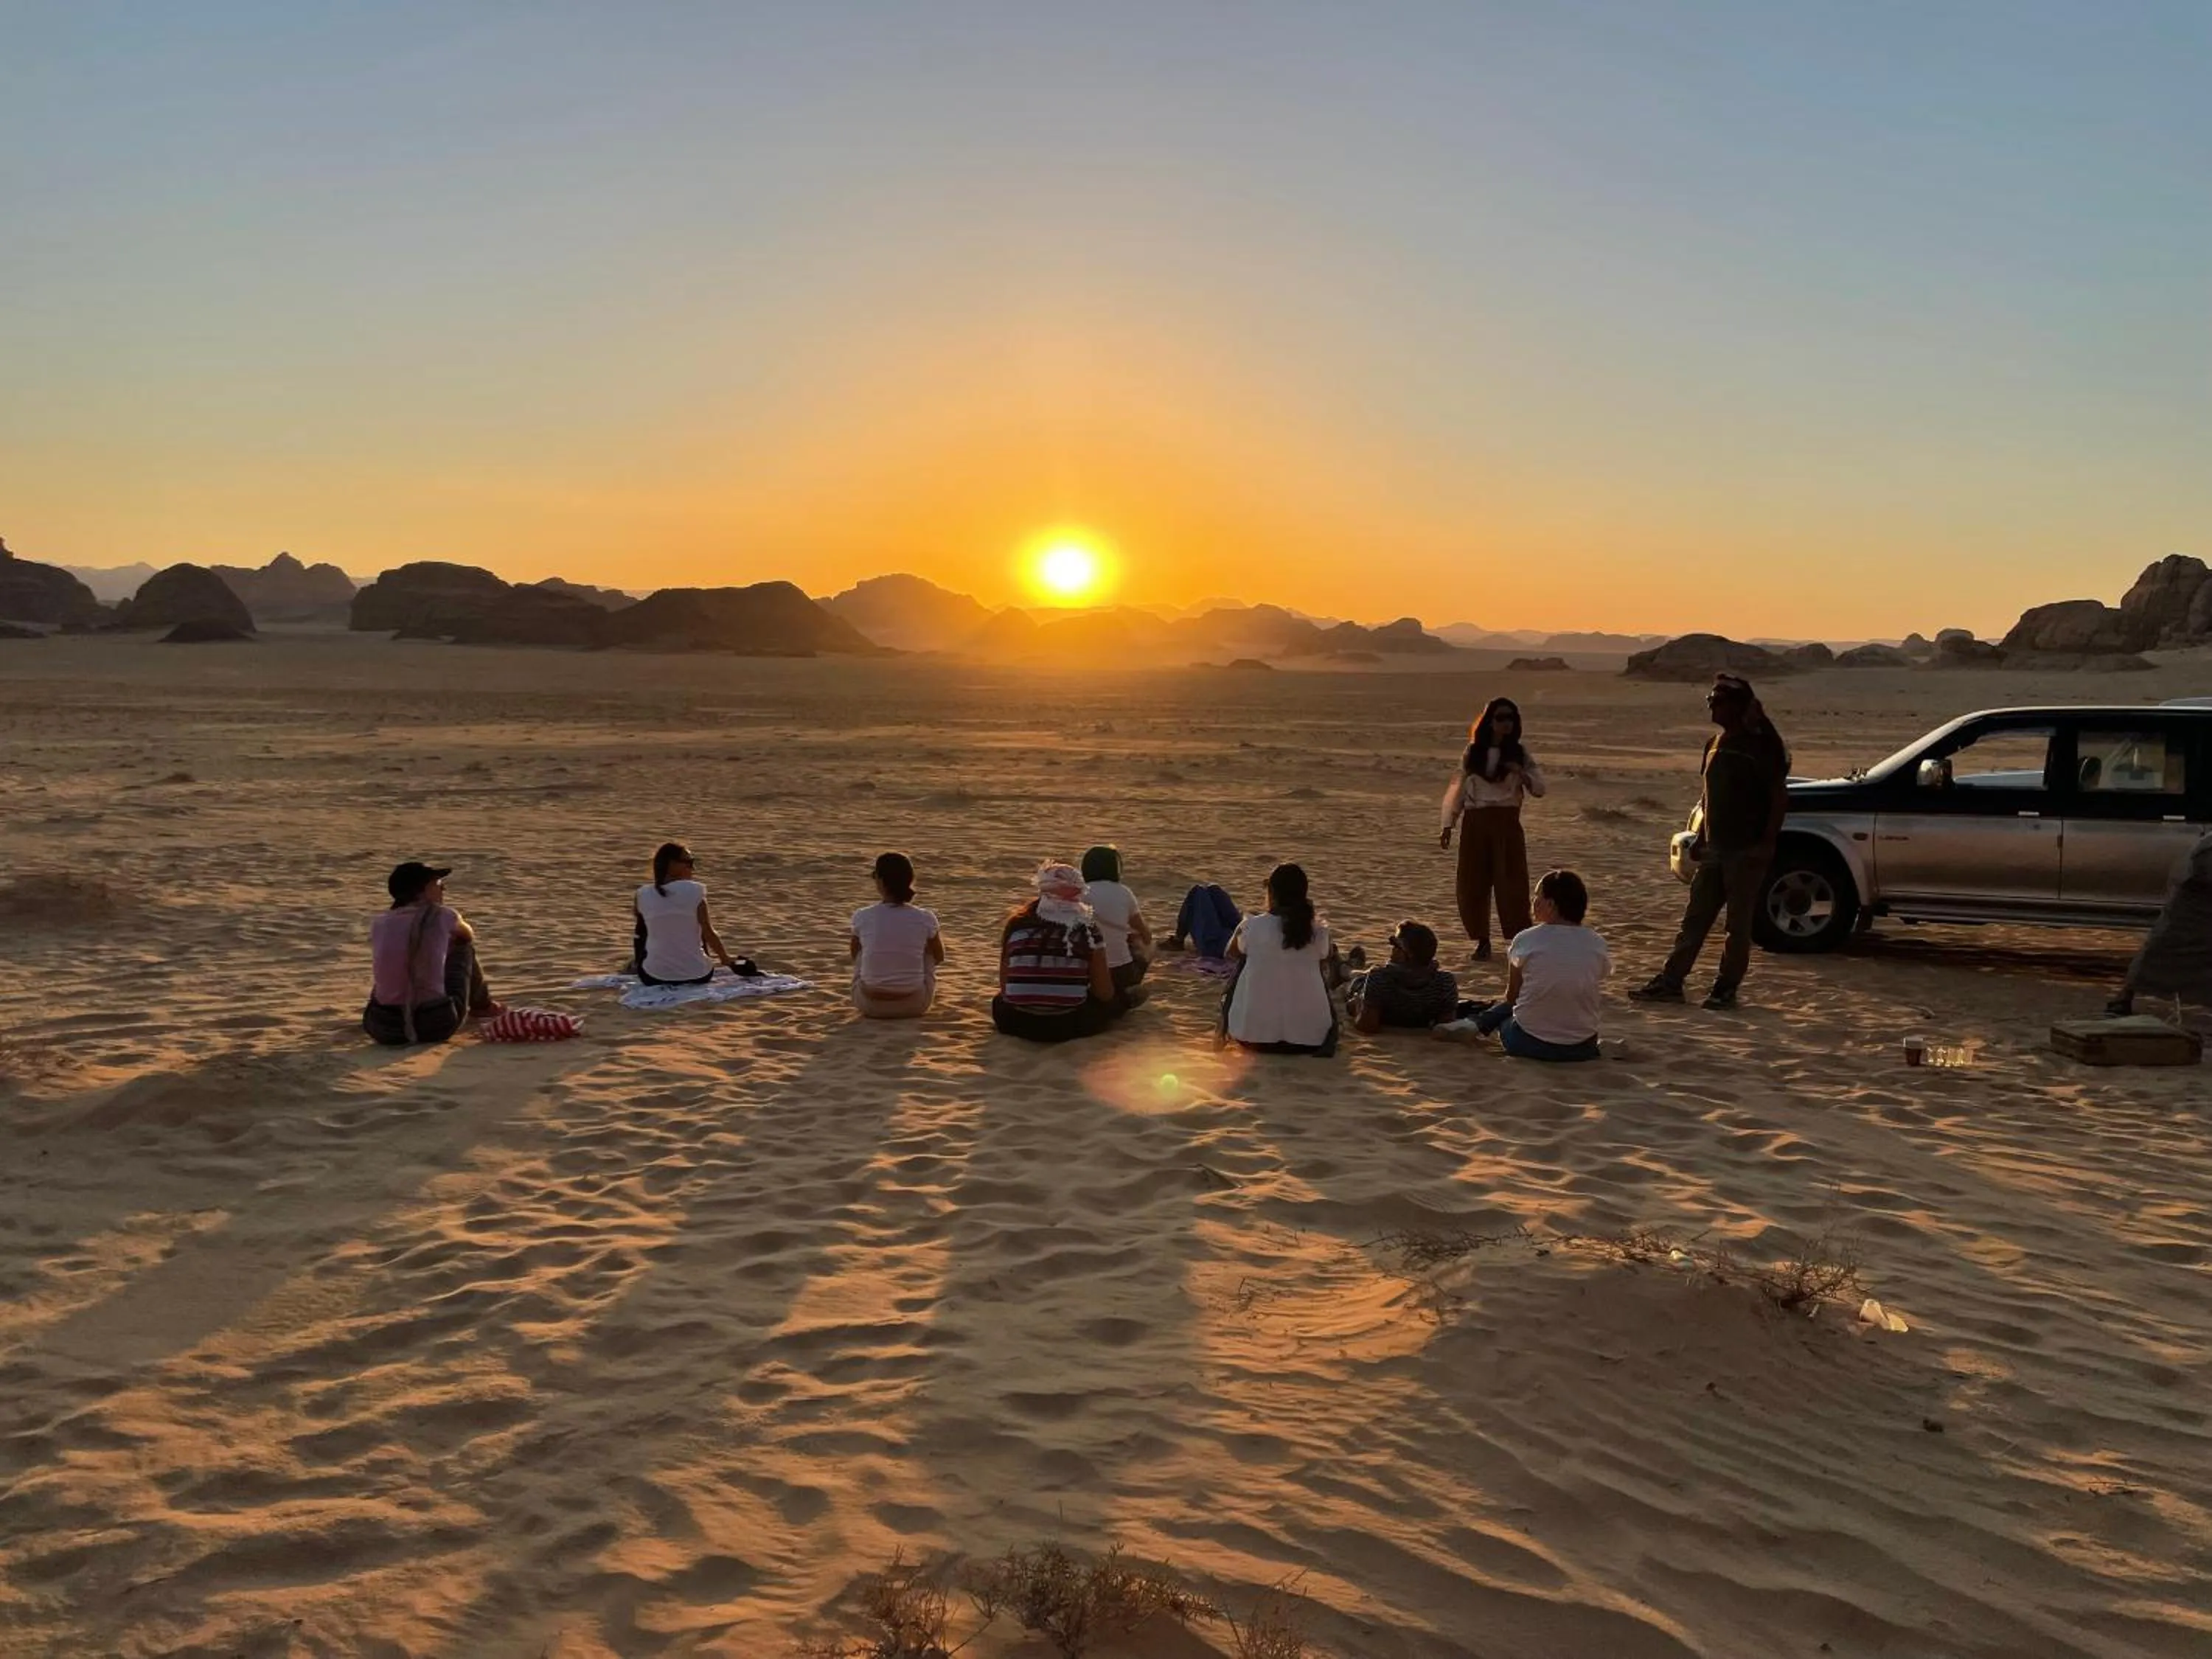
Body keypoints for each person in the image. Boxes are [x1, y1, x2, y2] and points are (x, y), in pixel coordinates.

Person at [1631, 675, 1791, 1011]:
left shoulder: (1760, 748)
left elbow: (1777, 797)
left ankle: (1726, 987)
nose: (1712, 705)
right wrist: (1701, 838)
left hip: (1746, 849)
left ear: (1738, 707)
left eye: (1718, 701)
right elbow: (1708, 797)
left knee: (1738, 924)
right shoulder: (1714, 744)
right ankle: (1671, 981)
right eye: (1710, 699)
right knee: (1696, 919)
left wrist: (1767, 842)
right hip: (1715, 849)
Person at [1440, 697, 1546, 961]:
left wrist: (1520, 773)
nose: (1505, 723)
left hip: (1507, 822)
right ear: (1489, 720)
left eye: (1510, 718)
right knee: (1473, 882)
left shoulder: (1520, 754)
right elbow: (1458, 788)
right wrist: (1448, 824)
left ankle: (1518, 940)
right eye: (1500, 718)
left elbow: (1540, 789)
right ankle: (1482, 941)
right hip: (1475, 822)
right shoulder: (1472, 752)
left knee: (1512, 882)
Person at [1471, 869, 1610, 1060]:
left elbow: (1513, 996)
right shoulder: (1597, 943)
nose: (1533, 902)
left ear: (1551, 904)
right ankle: (1477, 1022)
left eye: (1537, 896)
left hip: (1529, 1042)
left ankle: (1475, 1024)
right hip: (1583, 1046)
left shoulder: (1527, 939)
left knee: (1507, 1012)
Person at [364, 860, 501, 1046]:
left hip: (382, 1026)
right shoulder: (444, 915)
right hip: (435, 1024)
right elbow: (467, 935)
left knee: (397, 960)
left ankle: (398, 1007)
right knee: (463, 948)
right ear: (423, 891)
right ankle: (482, 1007)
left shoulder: (380, 922)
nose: (443, 888)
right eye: (437, 884)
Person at [992, 863, 1126, 1042]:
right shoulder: (1087, 930)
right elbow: (1104, 992)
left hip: (1015, 1023)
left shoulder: (1016, 924)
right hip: (1068, 1025)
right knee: (1112, 1001)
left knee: (998, 1001)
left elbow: (1005, 988)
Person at [1223, 863, 1338, 1055]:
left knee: (1245, 961)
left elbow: (1231, 953)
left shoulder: (1252, 926)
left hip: (1252, 1037)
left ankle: (1229, 1024)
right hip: (1311, 1039)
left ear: (1272, 892)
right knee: (1316, 963)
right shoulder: (1318, 930)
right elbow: (1327, 959)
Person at [2108, 830, 2212, 1017]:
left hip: (2198, 909)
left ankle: (2124, 997)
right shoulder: (2208, 848)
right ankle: (2123, 998)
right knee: (2157, 956)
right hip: (2192, 911)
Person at [849, 852, 944, 1018]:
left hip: (869, 1005)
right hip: (915, 1005)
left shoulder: (862, 916)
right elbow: (939, 957)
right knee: (927, 951)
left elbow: (854, 954)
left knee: (862, 951)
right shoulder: (925, 917)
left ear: (881, 881)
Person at [633, 842, 738, 985]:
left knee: (644, 927)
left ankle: (644, 962)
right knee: (697, 925)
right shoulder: (695, 891)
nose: (692, 868)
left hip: (654, 977)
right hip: (698, 975)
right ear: (672, 865)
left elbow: (642, 930)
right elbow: (708, 932)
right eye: (688, 863)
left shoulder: (642, 894)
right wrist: (725, 958)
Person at [1349, 919, 1460, 1032]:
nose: (1393, 949)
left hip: (1362, 987)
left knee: (1356, 980)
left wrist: (1359, 1003)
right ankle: (1353, 968)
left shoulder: (1380, 978)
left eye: (1396, 945)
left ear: (1405, 954)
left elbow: (1367, 1026)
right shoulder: (1444, 982)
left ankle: (1349, 969)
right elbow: (1446, 1025)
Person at [1080, 844, 1152, 996]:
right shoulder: (1124, 892)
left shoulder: (1079, 892)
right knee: (1143, 944)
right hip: (1121, 972)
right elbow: (1145, 934)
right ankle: (1129, 989)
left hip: (1086, 973)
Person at [1164, 882, 1242, 959]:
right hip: (1234, 937)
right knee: (1213, 890)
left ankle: (1178, 940)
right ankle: (1178, 940)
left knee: (1197, 892)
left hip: (1215, 946)